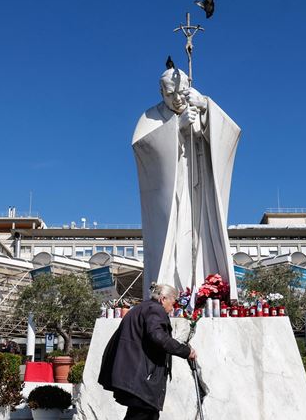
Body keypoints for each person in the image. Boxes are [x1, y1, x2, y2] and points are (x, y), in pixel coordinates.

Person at [132, 67, 240, 303]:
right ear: (161, 92)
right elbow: (142, 149)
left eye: (181, 91)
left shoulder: (201, 104)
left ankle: (210, 289)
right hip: (173, 197)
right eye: (170, 93)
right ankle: (171, 293)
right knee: (172, 243)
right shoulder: (150, 117)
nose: (178, 98)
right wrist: (176, 128)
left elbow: (231, 135)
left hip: (202, 192)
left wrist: (206, 111)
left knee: (204, 237)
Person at [99, 283, 196, 420]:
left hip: (134, 374)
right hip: (140, 376)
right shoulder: (155, 310)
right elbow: (159, 337)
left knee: (147, 414)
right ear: (163, 299)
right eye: (172, 303)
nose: (172, 308)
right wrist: (185, 351)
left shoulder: (143, 308)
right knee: (143, 414)